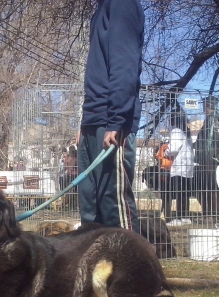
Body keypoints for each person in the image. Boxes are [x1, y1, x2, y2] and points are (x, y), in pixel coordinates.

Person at [77, 0, 144, 231]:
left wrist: (115, 120)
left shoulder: (121, 4)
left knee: (113, 206)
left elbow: (125, 64)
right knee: (90, 209)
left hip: (111, 122)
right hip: (92, 120)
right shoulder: (101, 9)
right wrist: (84, 125)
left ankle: (130, 265)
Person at [194, 95, 219, 218]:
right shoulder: (213, 119)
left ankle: (211, 213)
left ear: (209, 105)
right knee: (208, 186)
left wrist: (210, 156)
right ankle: (210, 213)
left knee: (208, 186)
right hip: (208, 158)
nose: (203, 108)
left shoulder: (212, 120)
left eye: (205, 105)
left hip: (208, 159)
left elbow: (213, 140)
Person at [164, 112, 195, 226]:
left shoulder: (176, 131)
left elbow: (173, 148)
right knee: (184, 194)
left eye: (170, 120)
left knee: (178, 193)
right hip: (187, 168)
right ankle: (185, 217)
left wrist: (164, 151)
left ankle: (178, 218)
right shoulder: (186, 133)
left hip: (179, 168)